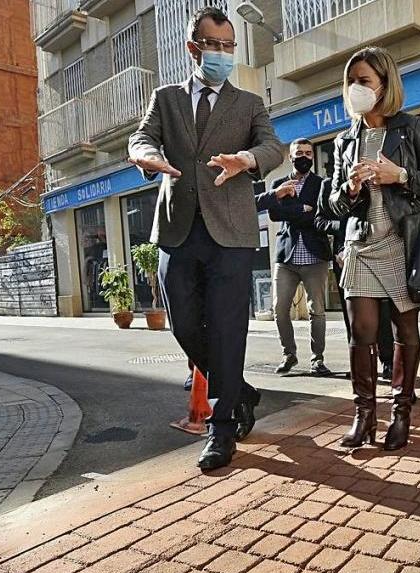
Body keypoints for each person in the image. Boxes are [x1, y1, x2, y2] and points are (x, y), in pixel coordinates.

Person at [128, 6, 285, 470]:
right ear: (193, 48)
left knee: (226, 328)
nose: (221, 53)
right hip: (178, 228)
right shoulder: (167, 98)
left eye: (228, 46)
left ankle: (222, 428)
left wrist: (248, 160)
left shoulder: (249, 103)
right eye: (213, 45)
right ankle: (242, 390)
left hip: (231, 232)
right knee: (181, 322)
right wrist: (147, 157)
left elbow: (273, 146)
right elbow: (141, 138)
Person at [326, 46, 420, 451]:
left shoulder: (410, 128)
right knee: (361, 332)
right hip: (360, 244)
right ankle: (363, 416)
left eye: (364, 81)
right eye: (351, 82)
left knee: (404, 330)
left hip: (401, 243)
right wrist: (351, 188)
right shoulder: (346, 140)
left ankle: (401, 414)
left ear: (383, 85)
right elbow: (332, 204)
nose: (355, 88)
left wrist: (401, 175)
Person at [255, 139, 334, 377]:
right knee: (280, 309)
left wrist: (296, 212)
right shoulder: (278, 184)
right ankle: (289, 354)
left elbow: (323, 215)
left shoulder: (322, 185)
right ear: (290, 157)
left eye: (309, 153)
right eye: (299, 153)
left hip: (315, 257)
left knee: (317, 310)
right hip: (286, 258)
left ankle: (317, 359)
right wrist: (303, 209)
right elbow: (275, 214)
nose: (305, 157)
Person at [321, 178, 396, 381]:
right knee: (354, 318)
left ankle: (388, 362)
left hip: (376, 250)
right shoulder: (330, 185)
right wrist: (344, 232)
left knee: (383, 311)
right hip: (344, 256)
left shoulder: (375, 180)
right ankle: (362, 367)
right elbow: (320, 220)